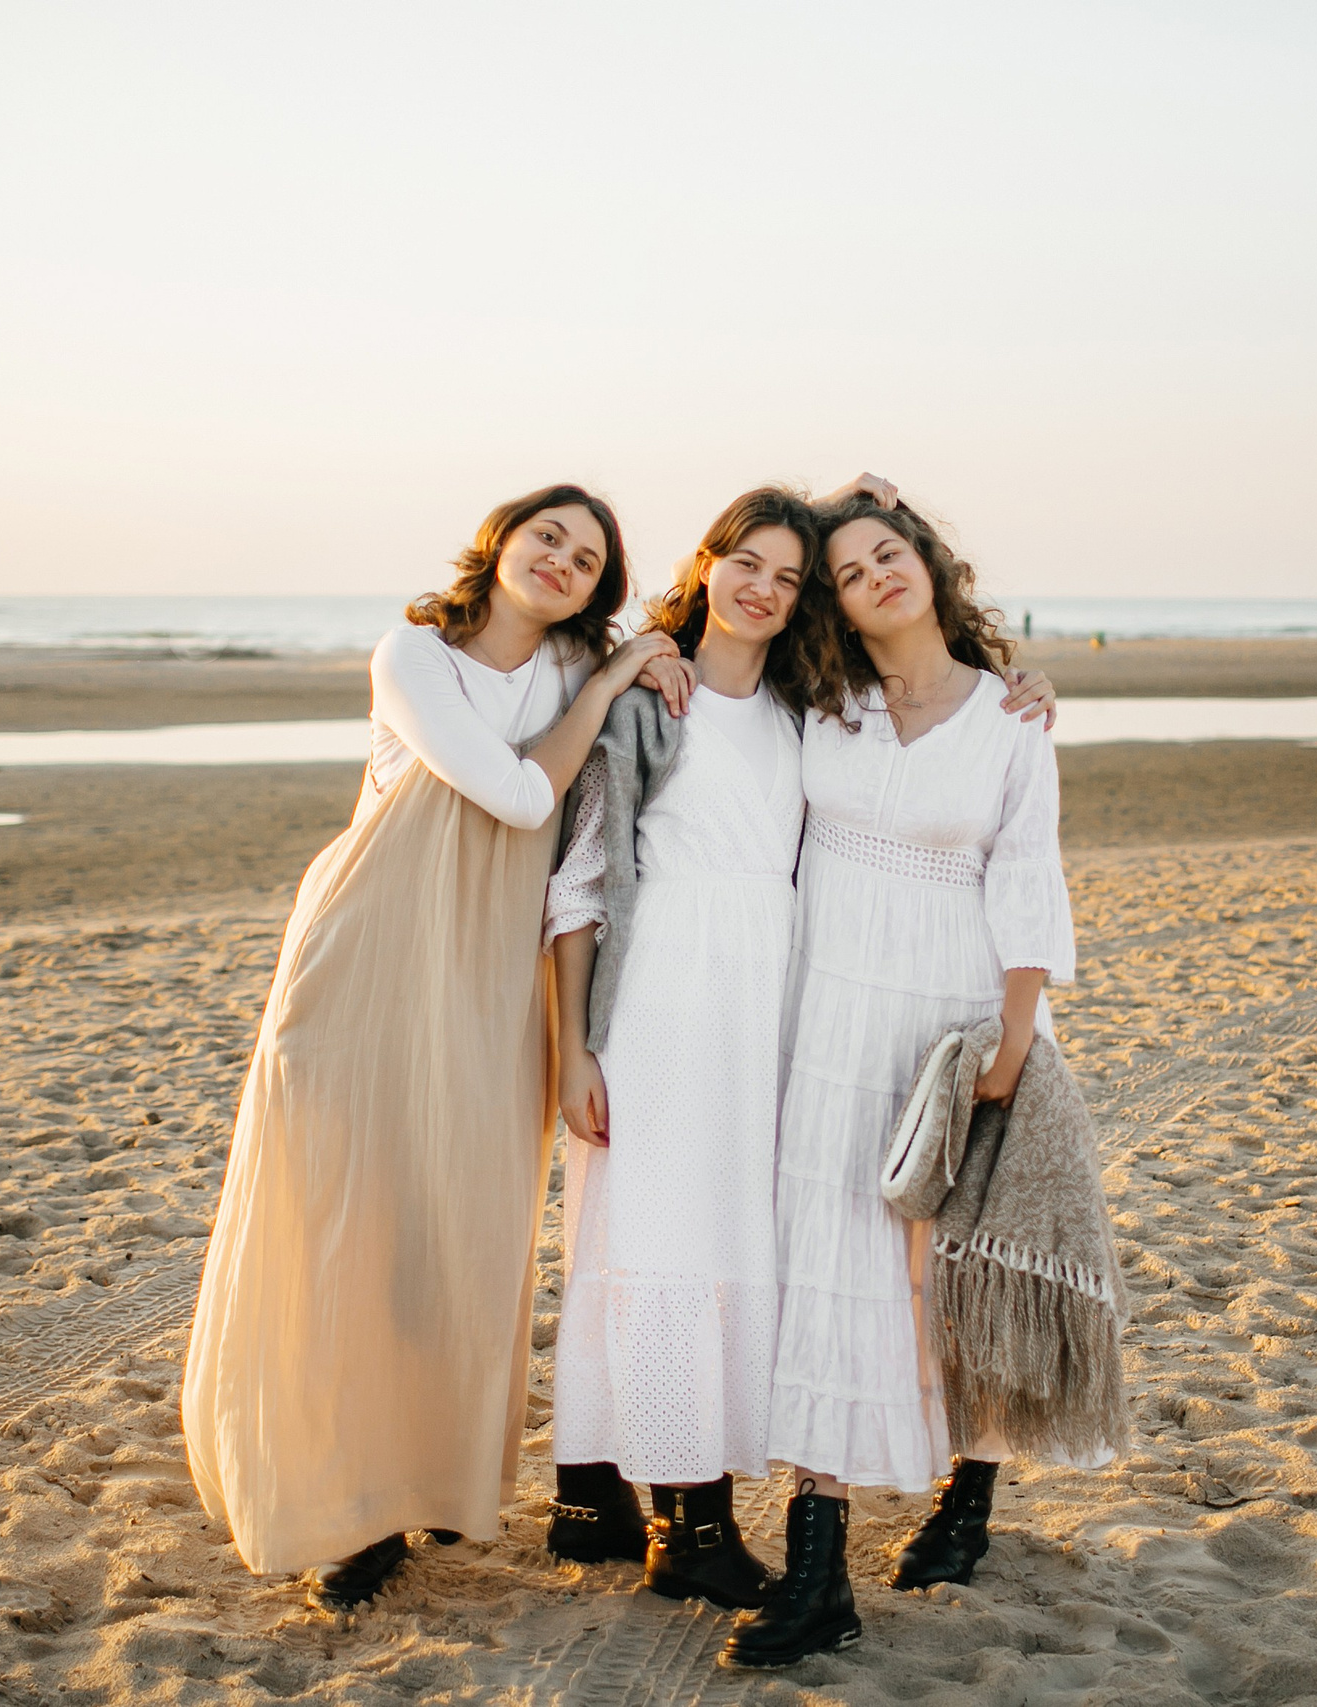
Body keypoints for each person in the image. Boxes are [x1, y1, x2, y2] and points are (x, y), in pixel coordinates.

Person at [180, 483, 692, 1614]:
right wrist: (611, 676)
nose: (560, 558)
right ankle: (341, 1508)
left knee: (451, 1235)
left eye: (586, 555)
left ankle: (410, 1482)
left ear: (600, 586)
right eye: (545, 535)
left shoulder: (567, 672)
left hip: (486, 977)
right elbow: (516, 795)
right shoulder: (413, 655)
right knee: (341, 1224)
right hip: (364, 954)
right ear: (500, 542)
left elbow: (742, 596)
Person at [727, 491, 1080, 1670]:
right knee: (828, 1261)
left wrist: (1012, 1045)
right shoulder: (818, 705)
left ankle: (966, 1493)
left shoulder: (1010, 721)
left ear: (928, 566)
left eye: (892, 552)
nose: (877, 573)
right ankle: (818, 1563)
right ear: (831, 599)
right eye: (850, 568)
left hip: (950, 1027)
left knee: (949, 1273)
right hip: (823, 1020)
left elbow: (1028, 881)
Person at [540, 487, 833, 1609]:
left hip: (763, 1002)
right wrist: (574, 1053)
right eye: (744, 562)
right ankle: (688, 1529)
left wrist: (863, 498)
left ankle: (627, 1501)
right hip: (659, 996)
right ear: (707, 564)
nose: (761, 588)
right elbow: (578, 886)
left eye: (787, 576)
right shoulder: (646, 702)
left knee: (725, 1239)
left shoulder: (807, 708)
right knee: (651, 1243)